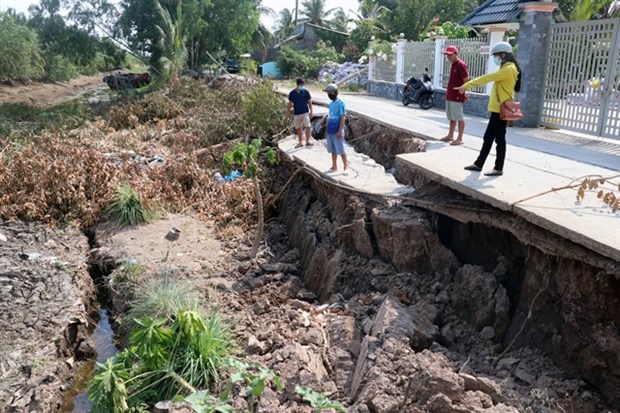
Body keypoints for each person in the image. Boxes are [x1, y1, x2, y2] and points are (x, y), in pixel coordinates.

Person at [455, 42, 521, 176]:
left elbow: (487, 78)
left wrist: (466, 86)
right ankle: (479, 164)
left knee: (499, 139)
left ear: (503, 55)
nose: (495, 59)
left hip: (500, 109)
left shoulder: (508, 69)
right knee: (488, 137)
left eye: (496, 56)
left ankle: (498, 168)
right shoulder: (507, 68)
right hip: (497, 109)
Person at [440, 45, 469, 146]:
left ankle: (460, 138)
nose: (448, 57)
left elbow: (466, 81)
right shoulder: (453, 65)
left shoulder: (461, 65)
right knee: (452, 117)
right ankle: (450, 135)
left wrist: (464, 92)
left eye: (450, 55)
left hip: (457, 95)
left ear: (456, 54)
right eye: (447, 55)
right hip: (451, 95)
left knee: (459, 116)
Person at [324, 83, 348, 174]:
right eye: (328, 93)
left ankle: (345, 168)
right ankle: (334, 166)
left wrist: (339, 130)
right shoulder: (330, 104)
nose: (329, 95)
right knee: (333, 150)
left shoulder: (340, 104)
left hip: (337, 130)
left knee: (341, 150)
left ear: (335, 92)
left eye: (330, 93)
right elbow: (330, 116)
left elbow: (343, 117)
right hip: (330, 130)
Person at [286, 77, 313, 148]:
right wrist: (287, 112)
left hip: (305, 113)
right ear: (297, 85)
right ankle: (300, 142)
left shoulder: (306, 92)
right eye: (301, 85)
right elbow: (290, 103)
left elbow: (309, 102)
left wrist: (311, 111)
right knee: (298, 128)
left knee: (308, 126)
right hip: (297, 113)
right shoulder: (292, 93)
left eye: (303, 85)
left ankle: (307, 141)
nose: (302, 86)